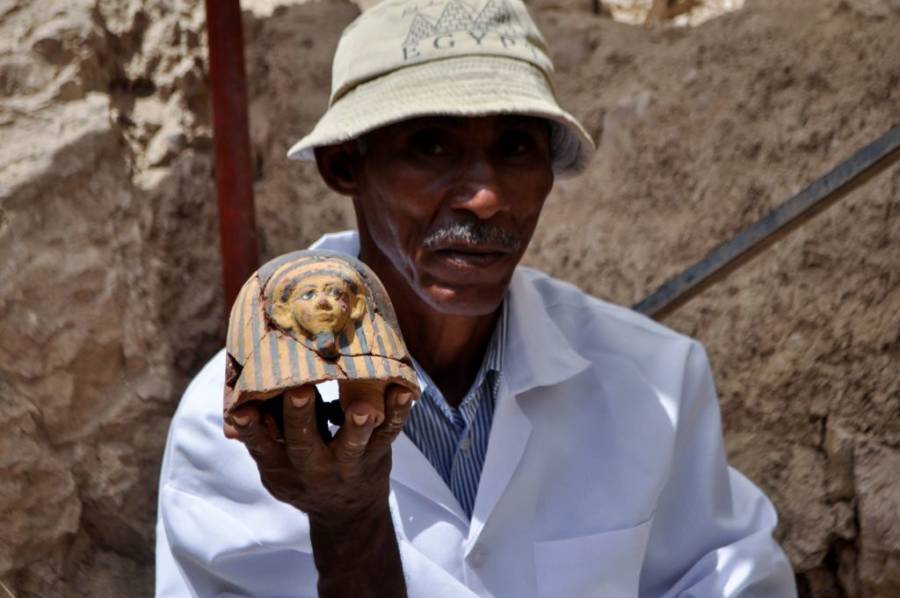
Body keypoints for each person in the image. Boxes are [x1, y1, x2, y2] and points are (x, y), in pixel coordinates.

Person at [155, 0, 797, 596]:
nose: (485, 198)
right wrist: (348, 530)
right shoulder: (240, 424)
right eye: (431, 145)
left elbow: (729, 578)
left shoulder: (657, 383)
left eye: (515, 146)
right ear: (345, 165)